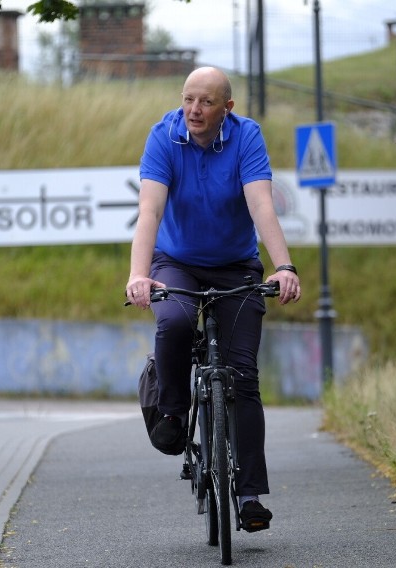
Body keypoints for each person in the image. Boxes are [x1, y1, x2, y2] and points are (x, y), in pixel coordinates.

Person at [125, 66, 301, 533]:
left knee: (242, 375)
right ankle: (172, 410)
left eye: (205, 102)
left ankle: (248, 495)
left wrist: (284, 266)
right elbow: (150, 209)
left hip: (236, 267)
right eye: (188, 99)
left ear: (228, 108)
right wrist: (139, 275)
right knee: (176, 323)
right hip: (175, 263)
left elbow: (262, 205)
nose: (194, 110)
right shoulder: (164, 136)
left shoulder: (246, 138)